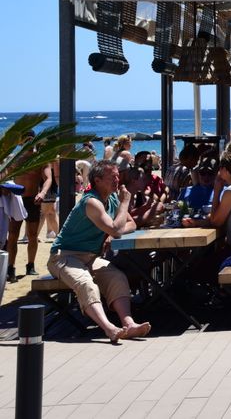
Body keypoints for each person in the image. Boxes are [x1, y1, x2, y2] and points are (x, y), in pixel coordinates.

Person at [47, 160, 151, 343]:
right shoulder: (92, 202)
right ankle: (109, 328)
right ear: (98, 180)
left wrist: (110, 234)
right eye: (113, 177)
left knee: (117, 277)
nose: (118, 180)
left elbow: (131, 224)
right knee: (86, 284)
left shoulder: (111, 199)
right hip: (64, 256)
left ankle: (129, 324)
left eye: (118, 176)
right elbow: (118, 228)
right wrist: (124, 205)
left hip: (90, 257)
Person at [7, 130, 53, 280]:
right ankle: (10, 268)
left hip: (33, 200)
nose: (28, 143)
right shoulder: (15, 159)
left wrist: (43, 193)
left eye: (31, 139)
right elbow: (5, 174)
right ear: (21, 142)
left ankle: (30, 265)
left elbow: (48, 178)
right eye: (25, 140)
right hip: (17, 200)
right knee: (13, 235)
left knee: (33, 235)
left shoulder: (40, 159)